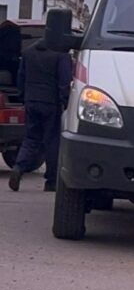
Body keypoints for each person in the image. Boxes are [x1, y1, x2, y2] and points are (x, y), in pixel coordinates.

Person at [8, 38, 72, 193]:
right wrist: (65, 100)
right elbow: (65, 80)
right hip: (51, 103)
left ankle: (18, 167)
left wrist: (23, 96)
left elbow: (20, 77)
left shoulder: (28, 52)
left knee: (30, 138)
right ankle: (51, 181)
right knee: (51, 141)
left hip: (31, 100)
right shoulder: (61, 54)